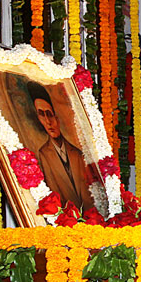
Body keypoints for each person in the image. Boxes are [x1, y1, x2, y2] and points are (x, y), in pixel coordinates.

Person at [28, 81, 95, 211]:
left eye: (49, 114)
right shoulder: (43, 153)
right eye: (42, 114)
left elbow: (87, 192)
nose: (48, 121)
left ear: (57, 118)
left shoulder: (76, 152)